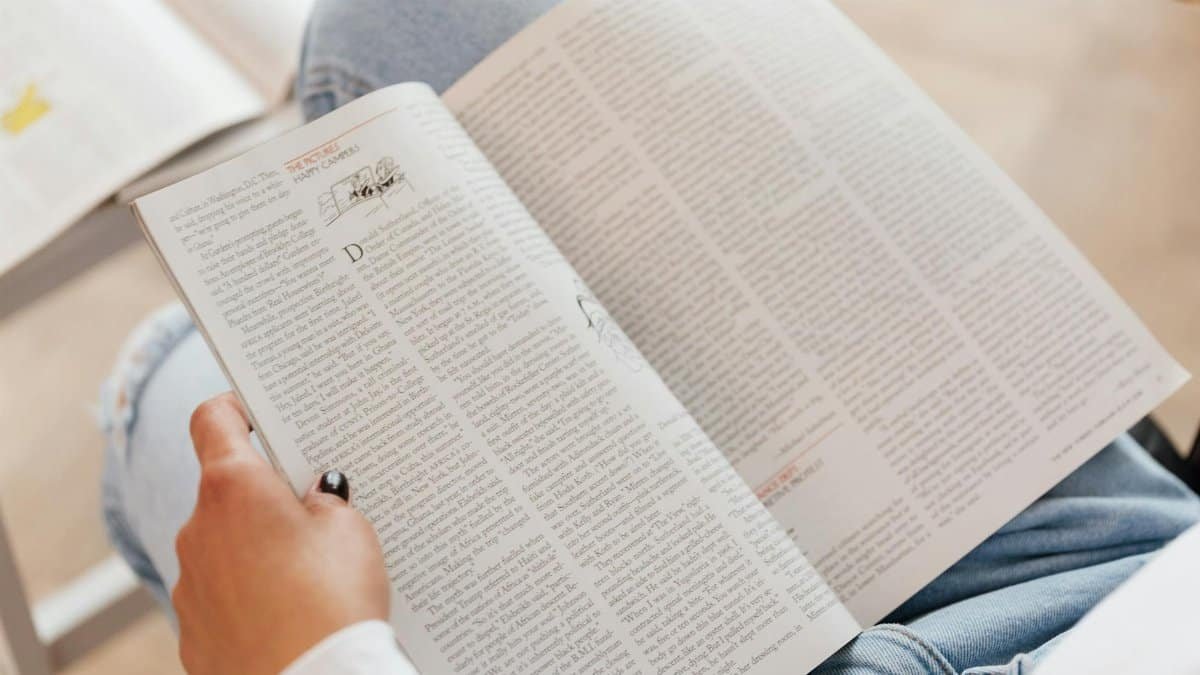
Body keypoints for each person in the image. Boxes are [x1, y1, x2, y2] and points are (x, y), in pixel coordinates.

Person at [99, 1, 1200, 673]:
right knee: (414, 11)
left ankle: (196, 357)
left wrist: (313, 659)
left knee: (176, 391)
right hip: (1136, 578)